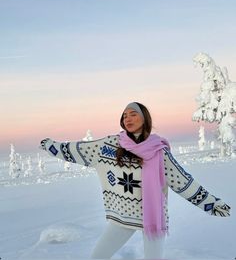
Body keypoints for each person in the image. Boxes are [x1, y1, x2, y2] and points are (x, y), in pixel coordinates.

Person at [40, 102, 231, 259]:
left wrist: (211, 204)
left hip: (153, 218)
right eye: (124, 116)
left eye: (133, 114)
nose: (128, 118)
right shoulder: (109, 145)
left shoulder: (158, 151)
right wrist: (51, 146)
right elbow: (79, 150)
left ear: (144, 118)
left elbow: (181, 181)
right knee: (97, 257)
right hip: (122, 217)